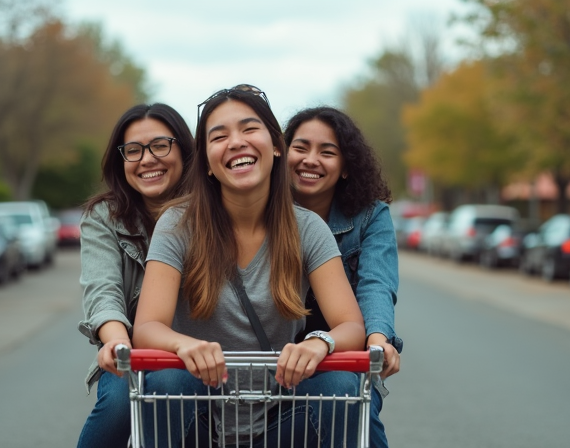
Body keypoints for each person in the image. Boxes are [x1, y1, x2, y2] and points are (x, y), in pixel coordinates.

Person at [132, 85, 366, 447]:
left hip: (280, 421)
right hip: (198, 417)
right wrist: (183, 346)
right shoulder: (178, 225)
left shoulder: (307, 228)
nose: (236, 142)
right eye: (219, 136)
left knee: (340, 385)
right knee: (165, 381)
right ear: (208, 163)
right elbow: (147, 326)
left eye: (249, 128)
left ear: (275, 145)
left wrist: (320, 343)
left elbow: (350, 325)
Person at [76, 103, 194, 448]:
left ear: (184, 151)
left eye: (160, 145)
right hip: (138, 351)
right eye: (133, 151)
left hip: (207, 348)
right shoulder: (104, 216)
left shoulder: (213, 210)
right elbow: (102, 290)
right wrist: (117, 341)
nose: (147, 160)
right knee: (118, 402)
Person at [284, 106, 402, 448]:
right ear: (282, 152)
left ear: (346, 167)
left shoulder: (371, 216)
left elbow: (376, 284)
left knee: (351, 406)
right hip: (273, 358)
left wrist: (378, 339)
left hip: (343, 355)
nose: (310, 159)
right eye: (301, 147)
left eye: (327, 152)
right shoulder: (260, 209)